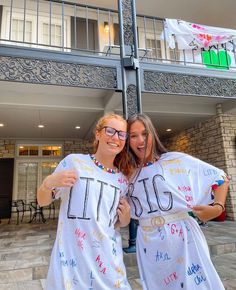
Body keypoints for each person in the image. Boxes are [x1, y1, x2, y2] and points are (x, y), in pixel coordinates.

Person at [126, 113, 229, 290]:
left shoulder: (175, 160)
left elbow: (220, 177)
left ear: (153, 134)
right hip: (149, 240)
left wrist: (217, 208)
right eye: (133, 136)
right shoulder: (127, 172)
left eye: (145, 134)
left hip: (182, 235)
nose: (140, 141)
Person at [37, 113, 132, 290]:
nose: (115, 137)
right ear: (98, 134)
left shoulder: (123, 180)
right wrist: (48, 183)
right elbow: (42, 201)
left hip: (108, 261)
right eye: (110, 131)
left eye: (121, 134)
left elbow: (117, 222)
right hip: (71, 260)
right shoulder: (74, 162)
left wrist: (126, 218)